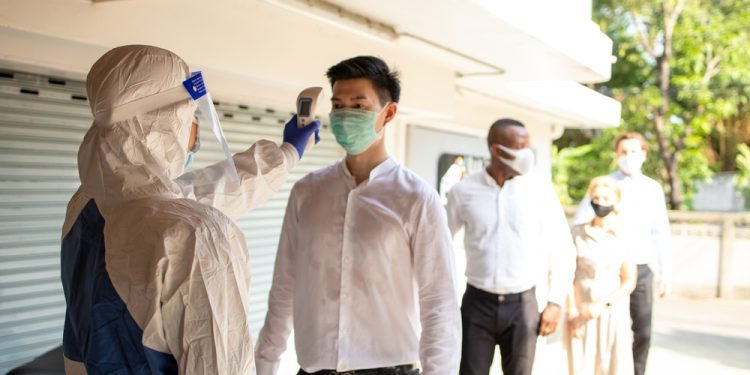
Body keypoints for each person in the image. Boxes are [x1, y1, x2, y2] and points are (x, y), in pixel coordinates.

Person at [60, 45, 320, 374]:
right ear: (165, 121)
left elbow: (208, 191)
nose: (193, 130)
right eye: (190, 115)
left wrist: (287, 153)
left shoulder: (86, 206)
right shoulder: (194, 235)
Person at [254, 56, 461, 375]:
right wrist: (265, 362)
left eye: (359, 106)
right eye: (338, 105)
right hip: (315, 369)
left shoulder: (416, 198)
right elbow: (285, 284)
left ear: (388, 113)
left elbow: (439, 302)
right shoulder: (307, 192)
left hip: (389, 368)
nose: (344, 115)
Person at [446, 118, 576, 375]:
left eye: (528, 146)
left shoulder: (540, 191)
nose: (526, 154)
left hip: (523, 305)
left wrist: (555, 301)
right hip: (476, 303)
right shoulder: (463, 191)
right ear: (497, 150)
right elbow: (440, 245)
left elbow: (563, 247)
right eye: (519, 146)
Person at [572, 132, 672, 375]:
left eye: (634, 152)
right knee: (607, 330)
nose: (629, 157)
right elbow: (582, 221)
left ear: (644, 155)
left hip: (640, 268)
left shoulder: (652, 189)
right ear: (617, 155)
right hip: (607, 272)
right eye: (623, 152)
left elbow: (661, 232)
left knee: (643, 331)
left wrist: (666, 273)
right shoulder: (605, 185)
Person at [565, 176, 637, 375]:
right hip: (581, 313)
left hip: (611, 312)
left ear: (615, 200)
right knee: (580, 366)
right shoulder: (577, 233)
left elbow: (629, 280)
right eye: (596, 198)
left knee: (611, 367)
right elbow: (568, 273)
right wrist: (572, 312)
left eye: (606, 198)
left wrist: (603, 304)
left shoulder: (624, 234)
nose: (601, 203)